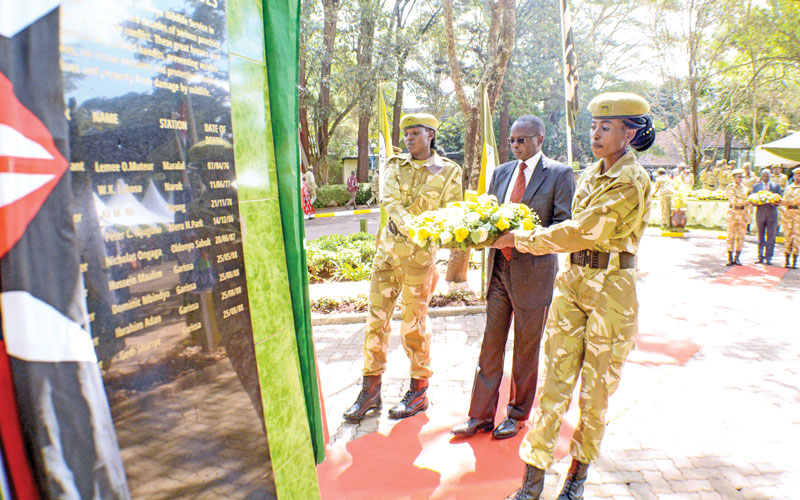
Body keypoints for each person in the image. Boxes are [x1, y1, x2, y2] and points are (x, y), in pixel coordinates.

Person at [493, 92, 654, 500]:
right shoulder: (592, 174)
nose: (595, 134)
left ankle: (576, 481)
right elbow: (573, 229)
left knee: (594, 393)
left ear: (630, 133)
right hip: (574, 283)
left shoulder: (633, 180)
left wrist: (523, 239)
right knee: (554, 386)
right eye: (594, 127)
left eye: (606, 127)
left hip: (611, 292)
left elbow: (584, 230)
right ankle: (531, 483)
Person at [451, 115, 575, 440]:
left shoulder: (560, 174)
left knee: (525, 350)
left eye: (522, 140)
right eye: (512, 140)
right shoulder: (502, 172)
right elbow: (488, 216)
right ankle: (479, 416)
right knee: (491, 344)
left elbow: (562, 227)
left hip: (534, 274)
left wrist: (520, 237)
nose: (516, 145)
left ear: (539, 139)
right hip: (499, 272)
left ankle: (517, 415)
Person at [343, 113, 462, 422]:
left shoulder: (449, 171)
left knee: (414, 324)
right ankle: (371, 389)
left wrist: (433, 234)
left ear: (431, 135)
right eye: (406, 133)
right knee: (375, 320)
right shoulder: (394, 165)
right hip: (387, 253)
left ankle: (419, 390)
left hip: (419, 258)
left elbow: (451, 211)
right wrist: (414, 226)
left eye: (415, 133)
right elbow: (390, 202)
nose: (408, 138)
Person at [750, 169, 782, 265]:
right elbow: (753, 201)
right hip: (760, 215)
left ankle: (769, 257)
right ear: (761, 176)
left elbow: (779, 200)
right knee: (760, 236)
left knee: (771, 236)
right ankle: (760, 257)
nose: (765, 178)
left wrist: (774, 202)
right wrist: (756, 201)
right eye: (764, 176)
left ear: (770, 176)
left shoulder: (776, 186)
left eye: (767, 176)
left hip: (772, 215)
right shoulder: (756, 187)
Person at [725, 168, 748, 266]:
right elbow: (733, 200)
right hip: (733, 213)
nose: (741, 179)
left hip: (743, 213)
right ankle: (730, 258)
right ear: (734, 177)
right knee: (731, 236)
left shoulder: (745, 188)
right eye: (739, 177)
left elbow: (747, 200)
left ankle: (737, 257)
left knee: (741, 236)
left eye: (742, 177)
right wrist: (745, 202)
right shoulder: (730, 187)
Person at [782, 167, 800, 269]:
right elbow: (784, 200)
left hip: (798, 215)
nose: (798, 177)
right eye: (796, 175)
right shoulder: (788, 188)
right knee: (787, 237)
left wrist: (790, 202)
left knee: (796, 238)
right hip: (788, 214)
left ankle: (794, 261)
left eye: (799, 175)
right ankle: (786, 260)